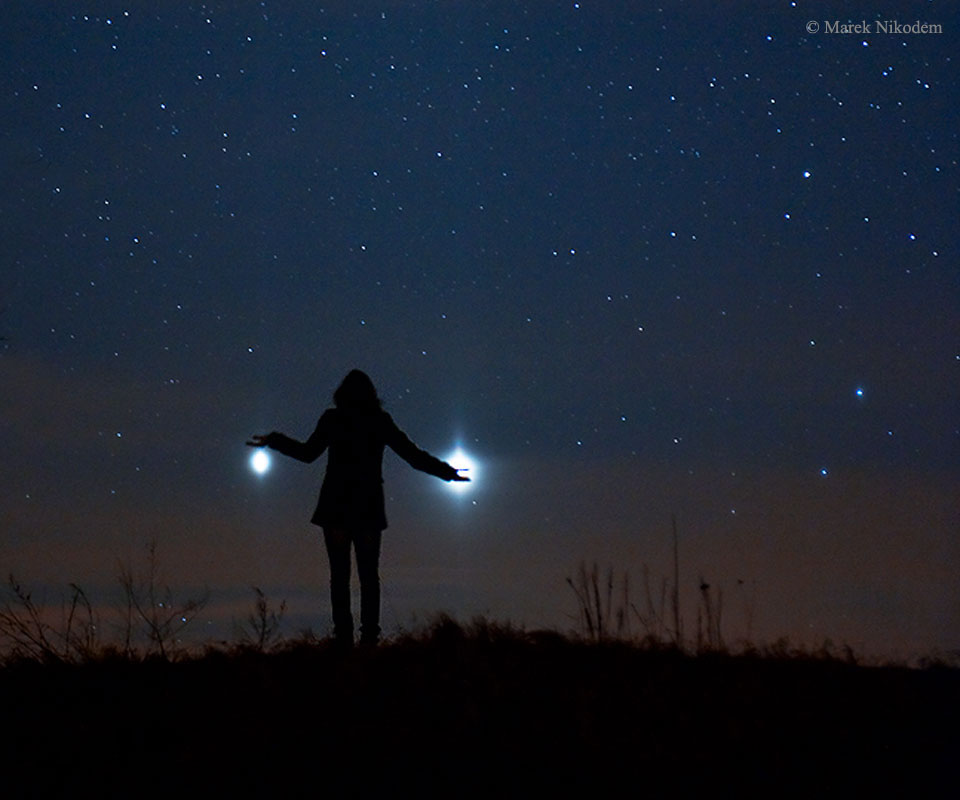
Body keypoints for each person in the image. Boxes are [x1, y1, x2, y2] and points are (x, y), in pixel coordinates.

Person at [247, 369, 468, 646]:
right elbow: (412, 455)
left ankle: (344, 637)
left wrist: (275, 441)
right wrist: (447, 472)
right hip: (367, 506)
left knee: (340, 575)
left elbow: (307, 454)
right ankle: (369, 639)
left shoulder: (333, 419)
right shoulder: (379, 421)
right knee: (368, 575)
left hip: (336, 505)